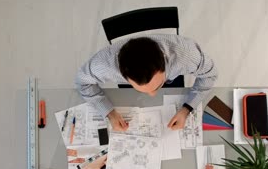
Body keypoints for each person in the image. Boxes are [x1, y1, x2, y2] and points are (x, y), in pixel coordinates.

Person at [75, 34, 217, 131]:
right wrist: (109, 113)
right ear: (121, 74)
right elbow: (82, 82)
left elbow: (210, 75)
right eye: (142, 89)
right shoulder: (103, 66)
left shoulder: (187, 55)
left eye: (158, 86)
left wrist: (187, 109)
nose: (152, 95)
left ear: (165, 61)